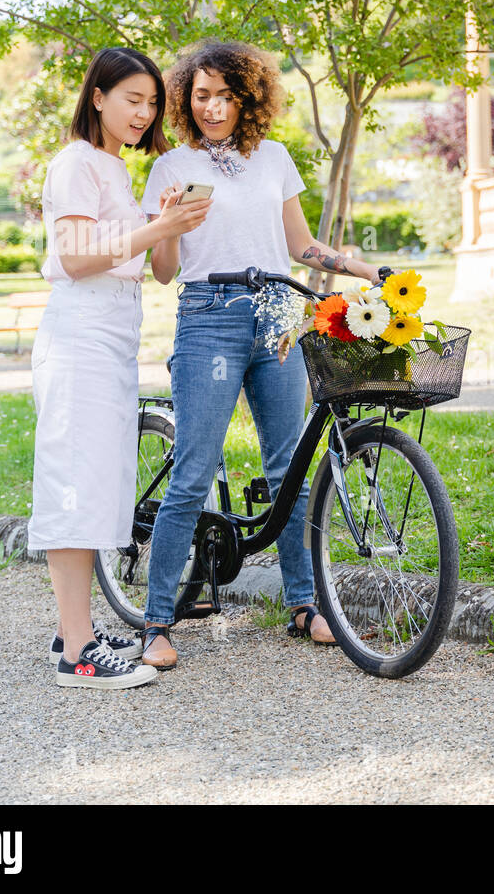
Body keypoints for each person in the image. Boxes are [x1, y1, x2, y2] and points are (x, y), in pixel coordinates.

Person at [138, 39, 384, 670]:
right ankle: (157, 620)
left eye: (225, 95)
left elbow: (301, 246)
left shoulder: (273, 158)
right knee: (194, 470)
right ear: (184, 100)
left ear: (247, 98)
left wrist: (366, 269)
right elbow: (164, 272)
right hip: (209, 317)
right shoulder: (170, 167)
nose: (213, 108)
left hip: (278, 314)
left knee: (290, 469)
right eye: (201, 96)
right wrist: (168, 225)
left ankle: (305, 604)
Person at [29, 47, 212, 688]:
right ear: (98, 96)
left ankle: (75, 631)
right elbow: (78, 256)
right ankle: (78, 651)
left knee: (99, 484)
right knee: (74, 485)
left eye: (153, 103)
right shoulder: (76, 162)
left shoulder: (113, 170)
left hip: (111, 344)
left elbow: (162, 272)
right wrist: (153, 223)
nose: (144, 113)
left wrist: (167, 224)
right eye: (132, 99)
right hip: (79, 339)